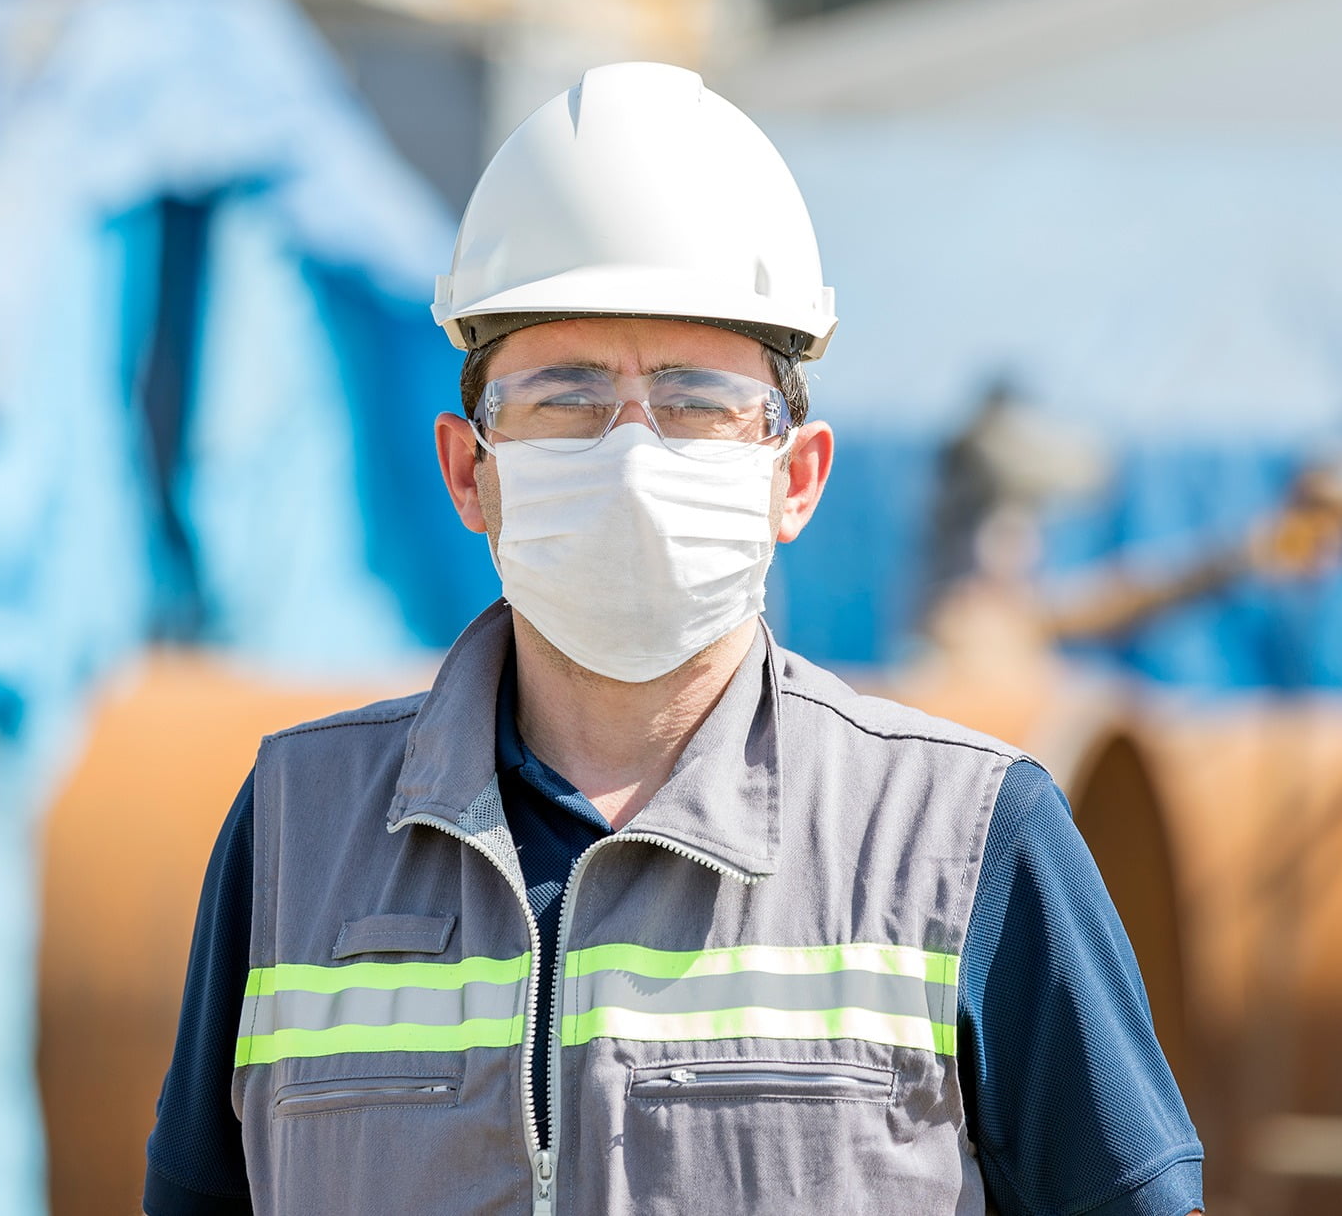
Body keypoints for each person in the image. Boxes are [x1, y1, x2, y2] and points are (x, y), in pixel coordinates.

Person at [142, 63, 1205, 1216]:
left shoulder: (965, 841)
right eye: (568, 399)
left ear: (793, 477)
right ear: (467, 469)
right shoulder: (300, 825)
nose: (634, 457)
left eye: (695, 400)